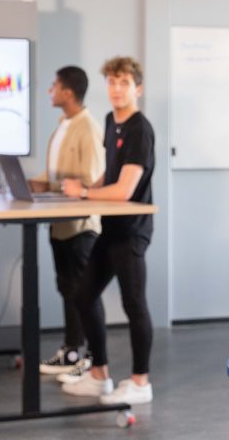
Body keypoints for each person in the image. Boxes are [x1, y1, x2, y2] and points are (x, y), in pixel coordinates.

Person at [59, 56, 156, 406]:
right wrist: (83, 187)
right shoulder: (110, 122)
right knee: (84, 295)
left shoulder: (139, 129)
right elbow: (109, 178)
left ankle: (140, 383)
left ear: (138, 89)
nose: (117, 90)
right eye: (112, 83)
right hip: (111, 228)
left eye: (124, 83)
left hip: (131, 231)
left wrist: (84, 193)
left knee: (134, 304)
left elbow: (125, 190)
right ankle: (99, 375)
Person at [29, 66, 105, 376]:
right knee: (67, 288)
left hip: (80, 225)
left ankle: (91, 358)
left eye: (54, 86)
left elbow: (92, 180)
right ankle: (71, 351)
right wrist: (33, 184)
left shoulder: (88, 128)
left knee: (83, 290)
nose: (50, 91)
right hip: (59, 222)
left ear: (68, 92)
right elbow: (55, 175)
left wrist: (62, 188)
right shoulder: (64, 124)